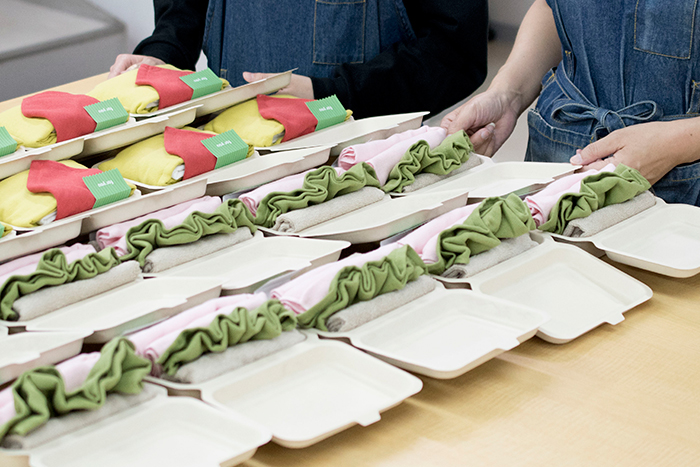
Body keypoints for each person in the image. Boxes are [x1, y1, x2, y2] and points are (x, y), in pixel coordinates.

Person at [443, 0, 700, 206]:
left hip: (681, 183)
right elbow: (551, 7)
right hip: (557, 153)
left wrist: (679, 143)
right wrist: (507, 94)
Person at [108, 0, 488, 119]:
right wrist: (163, 53)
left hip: (364, 173)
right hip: (230, 153)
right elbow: (186, 11)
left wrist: (335, 94)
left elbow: (454, 51)